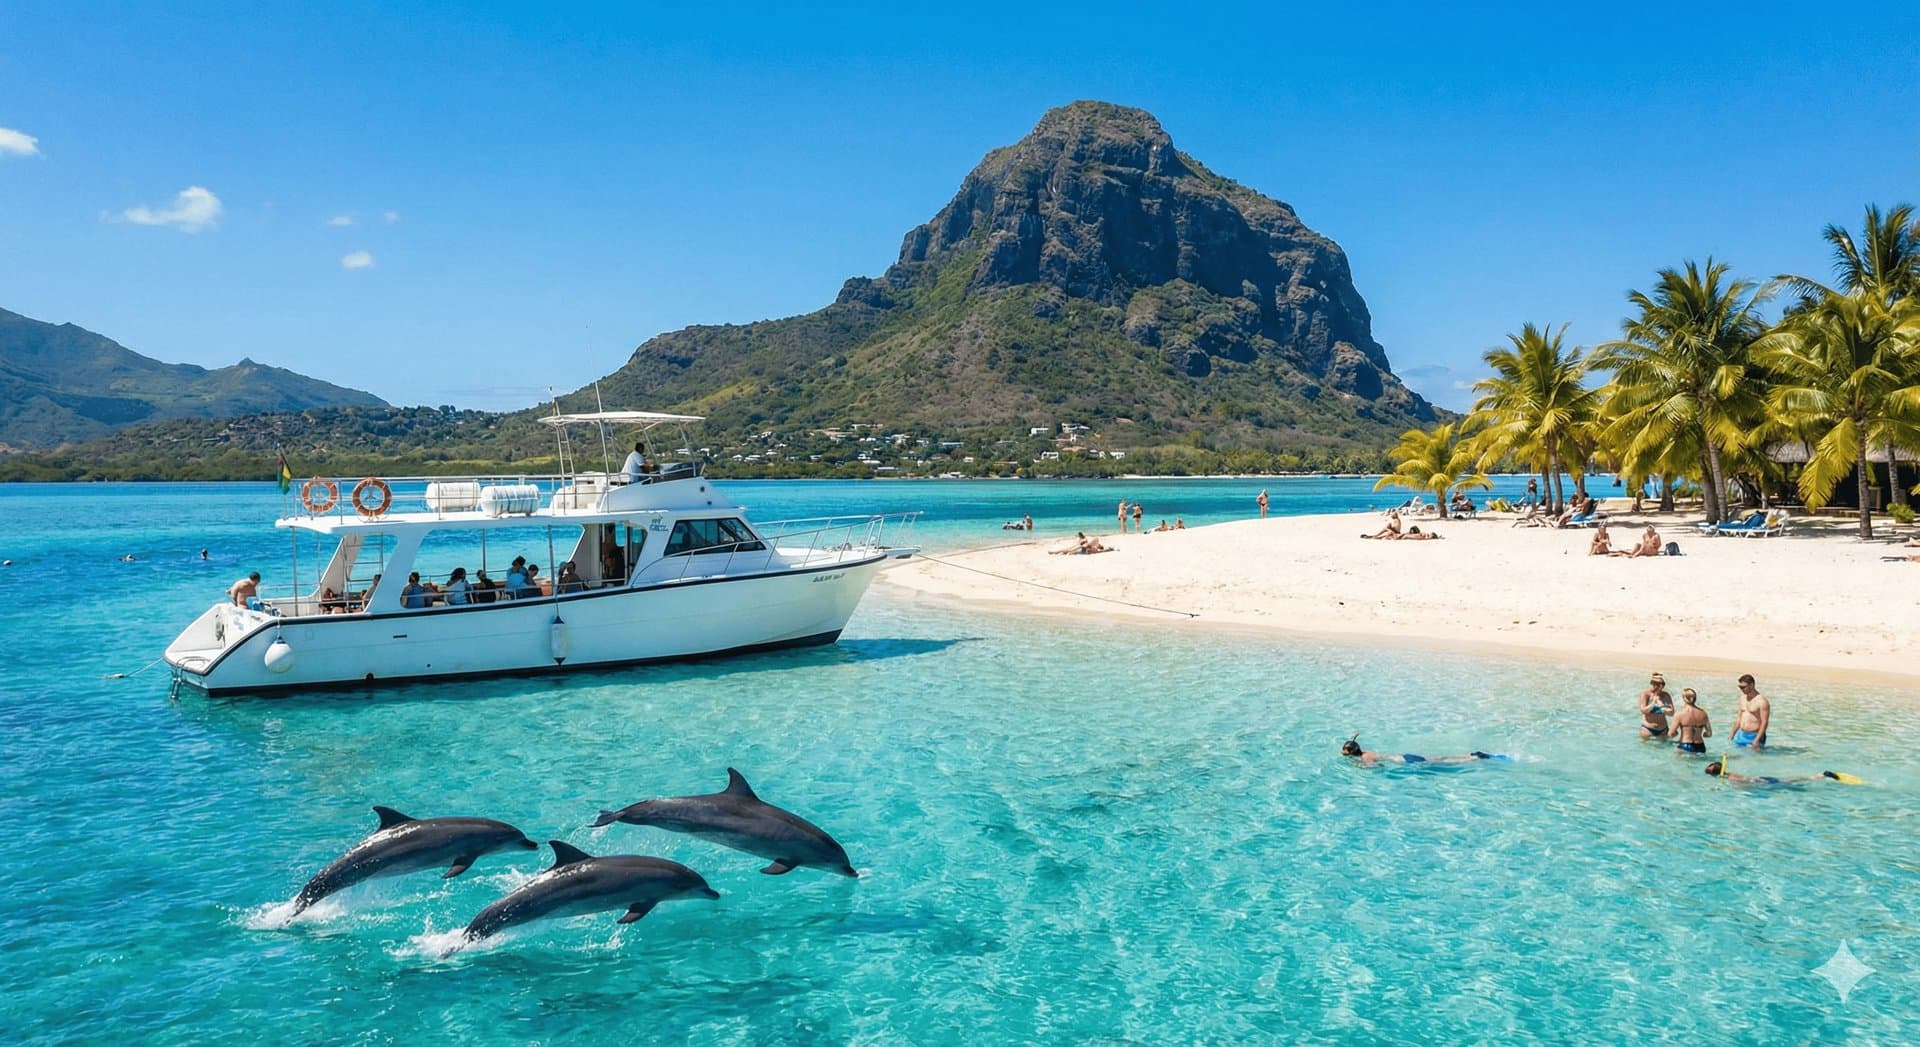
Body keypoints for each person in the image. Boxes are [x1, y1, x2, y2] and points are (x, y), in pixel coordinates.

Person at [1340, 735, 1507, 766]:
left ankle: (1475, 758)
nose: (1344, 753)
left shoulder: (1366, 758)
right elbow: (1354, 743)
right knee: (1440, 758)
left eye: (1346, 751)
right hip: (1404, 756)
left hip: (1405, 761)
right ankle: (1471, 755)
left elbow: (1376, 767)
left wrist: (1359, 766)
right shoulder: (1365, 752)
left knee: (1445, 764)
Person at [1704, 762, 1846, 786]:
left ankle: (1821, 776)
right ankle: (1819, 775)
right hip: (1761, 778)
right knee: (1792, 780)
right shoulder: (1730, 774)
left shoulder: (1731, 778)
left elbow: (1745, 785)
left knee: (1792, 783)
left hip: (1761, 782)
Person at [1731, 674, 1770, 749]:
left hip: (1754, 736)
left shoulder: (1762, 701)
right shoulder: (1742, 698)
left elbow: (1764, 722)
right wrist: (1732, 734)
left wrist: (1757, 739)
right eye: (1739, 687)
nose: (1741, 689)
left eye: (1743, 687)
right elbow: (1739, 718)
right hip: (1741, 735)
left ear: (1751, 685)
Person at [1672, 688, 1712, 753]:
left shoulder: (1679, 714)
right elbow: (1709, 734)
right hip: (1700, 746)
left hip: (1685, 745)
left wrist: (1676, 733)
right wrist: (1704, 734)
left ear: (1684, 699)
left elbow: (1671, 733)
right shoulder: (1703, 713)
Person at [1639, 673, 1673, 739]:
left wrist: (1662, 707)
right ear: (1652, 684)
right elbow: (1643, 711)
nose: (1659, 687)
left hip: (1663, 729)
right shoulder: (1645, 694)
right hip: (1647, 729)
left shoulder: (1666, 695)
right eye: (1656, 684)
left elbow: (1672, 713)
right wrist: (1653, 703)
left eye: (1662, 684)